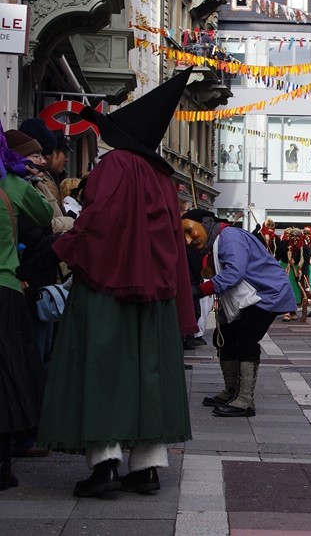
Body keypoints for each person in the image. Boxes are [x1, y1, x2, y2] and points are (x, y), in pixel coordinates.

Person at [36, 70, 198, 496]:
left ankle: (104, 464)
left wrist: (55, 253)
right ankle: (147, 466)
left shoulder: (114, 165)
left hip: (106, 285)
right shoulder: (164, 180)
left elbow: (95, 222)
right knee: (149, 373)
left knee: (102, 369)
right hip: (156, 293)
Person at [183, 208, 294, 417]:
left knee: (246, 340)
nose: (188, 240)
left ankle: (244, 400)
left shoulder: (230, 237)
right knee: (223, 336)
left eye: (190, 232)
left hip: (265, 293)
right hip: (243, 297)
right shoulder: (214, 243)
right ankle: (231, 391)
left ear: (206, 223)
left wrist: (199, 291)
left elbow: (234, 272)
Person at [0, 128, 53, 491]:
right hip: (5, 289)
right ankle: (3, 464)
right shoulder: (12, 185)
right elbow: (44, 214)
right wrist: (29, 178)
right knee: (8, 374)